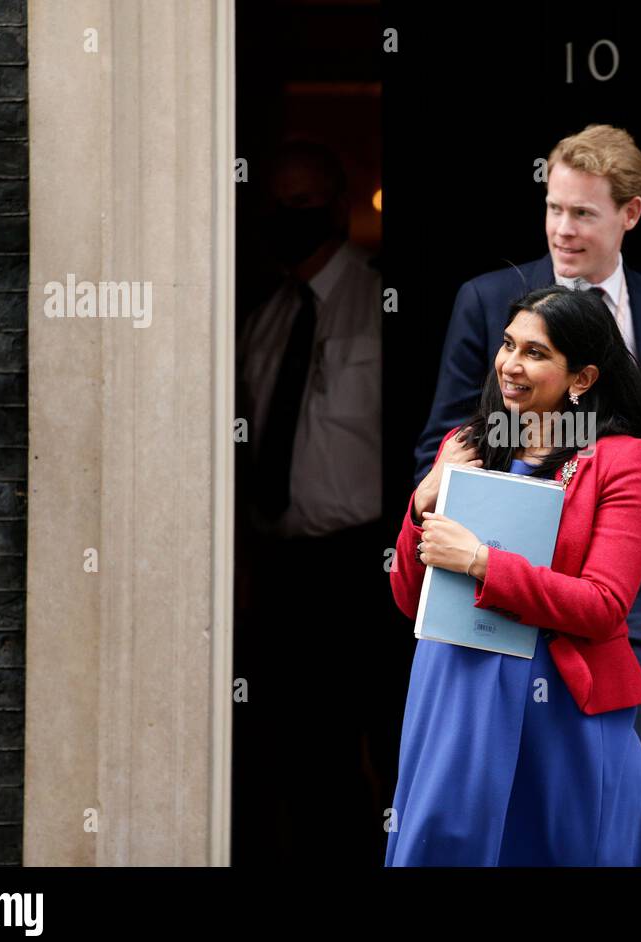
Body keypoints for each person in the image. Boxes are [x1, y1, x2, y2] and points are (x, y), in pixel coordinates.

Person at [412, 124, 641, 863]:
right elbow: (452, 442)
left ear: (629, 215)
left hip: (633, 597)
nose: (562, 229)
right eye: (554, 208)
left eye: (582, 213)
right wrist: (449, 524)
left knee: (616, 805)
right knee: (500, 815)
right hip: (504, 583)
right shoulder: (491, 300)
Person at [386, 286, 641, 866]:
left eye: (536, 353)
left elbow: (603, 605)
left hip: (560, 704)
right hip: (458, 694)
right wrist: (422, 504)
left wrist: (482, 562)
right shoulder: (464, 446)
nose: (511, 365)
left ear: (582, 379)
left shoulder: (622, 458)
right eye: (509, 344)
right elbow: (412, 598)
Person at [233, 140, 383, 864]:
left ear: (338, 205)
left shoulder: (382, 301)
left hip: (362, 563)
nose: (289, 219)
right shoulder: (260, 321)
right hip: (280, 568)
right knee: (289, 752)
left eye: (304, 205)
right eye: (278, 206)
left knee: (367, 740)